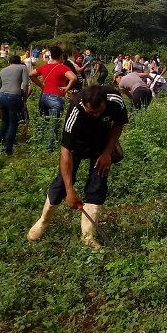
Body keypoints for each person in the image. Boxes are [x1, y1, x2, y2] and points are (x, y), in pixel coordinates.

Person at [27, 84, 129, 249]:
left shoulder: (115, 100)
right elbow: (66, 153)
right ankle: (43, 222)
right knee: (61, 183)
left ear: (105, 102)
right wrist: (70, 191)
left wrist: (107, 153)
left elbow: (119, 124)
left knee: (98, 183)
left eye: (100, 111)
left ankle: (88, 237)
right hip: (78, 146)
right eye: (91, 112)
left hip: (101, 145)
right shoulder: (75, 110)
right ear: (83, 104)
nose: (96, 115)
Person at [29, 46, 77, 152]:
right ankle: (50, 148)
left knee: (43, 121)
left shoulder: (45, 67)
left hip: (44, 96)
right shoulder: (63, 67)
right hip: (56, 97)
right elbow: (73, 78)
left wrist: (42, 85)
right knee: (54, 124)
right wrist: (67, 88)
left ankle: (38, 143)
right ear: (61, 56)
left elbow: (31, 74)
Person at [0, 55, 29, 156]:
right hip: (14, 97)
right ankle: (8, 151)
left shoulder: (2, 70)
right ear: (19, 62)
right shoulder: (23, 67)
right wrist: (24, 99)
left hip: (2, 96)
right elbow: (26, 84)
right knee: (13, 124)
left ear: (9, 62)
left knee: (4, 123)